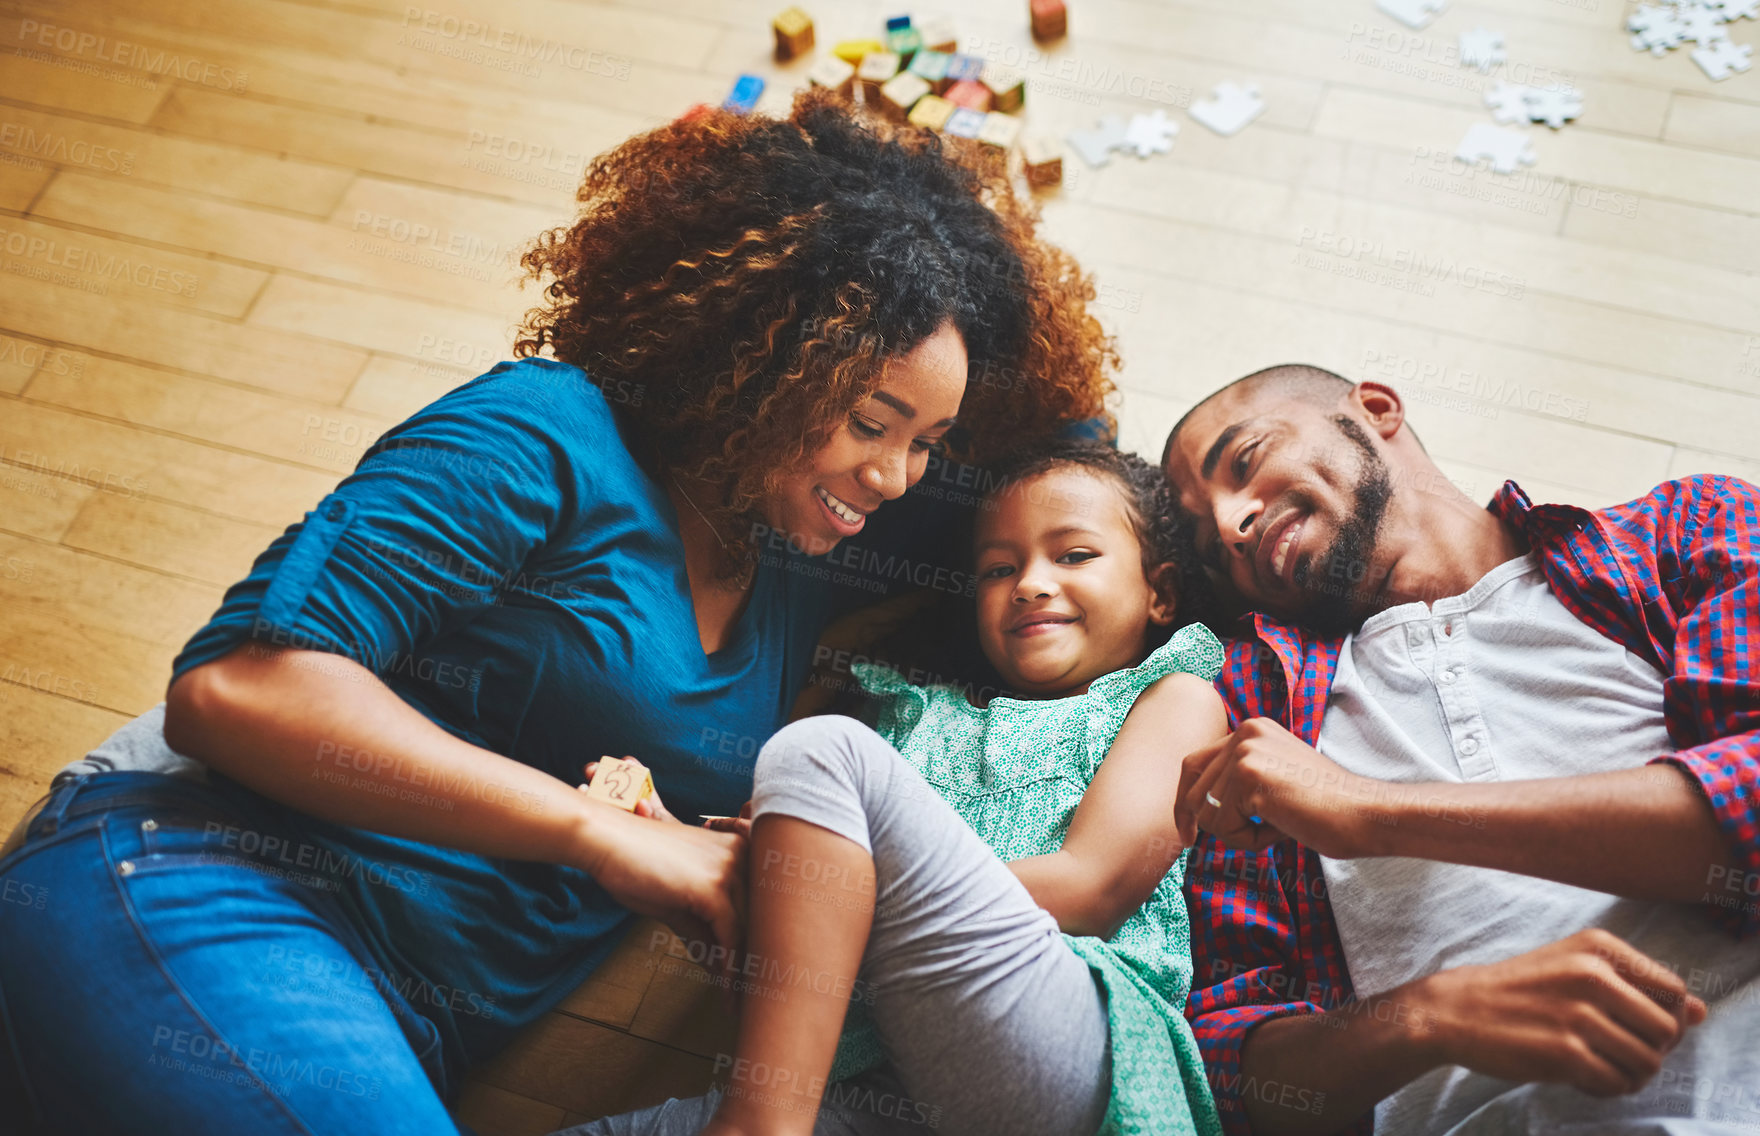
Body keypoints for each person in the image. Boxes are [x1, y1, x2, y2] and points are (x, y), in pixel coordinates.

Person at [0, 91, 1117, 1135]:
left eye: (926, 441)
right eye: (872, 421)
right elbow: (236, 689)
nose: (897, 476)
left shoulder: (805, 545)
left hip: (409, 1019)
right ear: (769, 355)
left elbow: (1073, 462)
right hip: (208, 883)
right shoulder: (545, 431)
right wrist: (605, 837)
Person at [1161, 363, 1760, 1135]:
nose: (1233, 524)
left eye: (1244, 462)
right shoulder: (1248, 706)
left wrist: (1373, 816)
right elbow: (1230, 1074)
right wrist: (1428, 1016)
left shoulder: (1677, 533)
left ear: (1375, 410)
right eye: (1211, 542)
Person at [573, 442, 1231, 1136]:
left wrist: (825, 890)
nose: (1031, 583)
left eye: (1073, 556)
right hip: (870, 1084)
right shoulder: (909, 714)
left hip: (1066, 1043)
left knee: (820, 752)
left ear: (1159, 591)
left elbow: (1093, 887)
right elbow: (794, 965)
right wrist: (708, 872)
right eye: (999, 569)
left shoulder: (1169, 696)